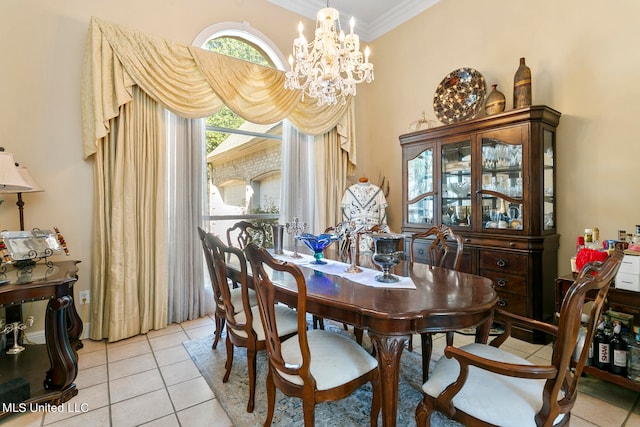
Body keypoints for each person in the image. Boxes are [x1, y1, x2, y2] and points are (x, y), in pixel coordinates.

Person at [341, 177, 390, 252]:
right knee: (355, 258)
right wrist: (347, 234)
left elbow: (382, 219)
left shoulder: (378, 192)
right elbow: (346, 220)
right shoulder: (349, 192)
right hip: (355, 235)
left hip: (373, 235)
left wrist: (383, 232)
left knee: (373, 259)